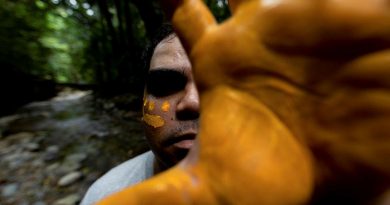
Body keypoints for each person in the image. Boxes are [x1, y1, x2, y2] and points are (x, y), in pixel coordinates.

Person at [80, 23, 200, 205]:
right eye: (165, 84)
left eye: (217, 86)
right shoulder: (104, 197)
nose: (192, 102)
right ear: (141, 101)